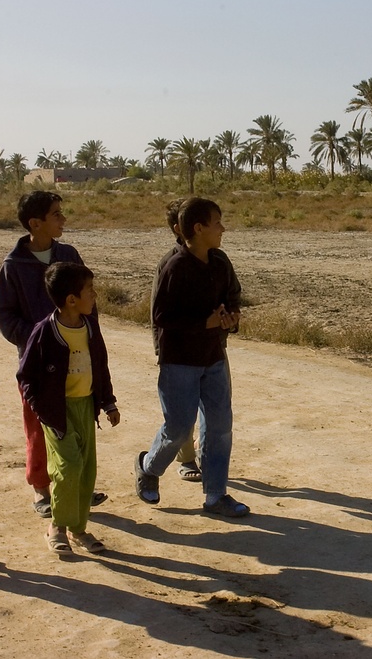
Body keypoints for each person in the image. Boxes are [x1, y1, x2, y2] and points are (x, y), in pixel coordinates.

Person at [0, 190, 107, 517]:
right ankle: (42, 491)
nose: (63, 219)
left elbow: (87, 299)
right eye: (57, 214)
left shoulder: (68, 254)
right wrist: (39, 340)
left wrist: (90, 336)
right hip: (41, 367)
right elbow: (4, 314)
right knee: (40, 427)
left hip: (78, 361)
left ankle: (78, 485)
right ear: (35, 223)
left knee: (80, 426)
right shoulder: (13, 266)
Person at [136, 197, 248, 517]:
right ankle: (148, 467)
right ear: (198, 229)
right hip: (180, 361)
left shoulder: (221, 262)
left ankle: (215, 495)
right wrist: (204, 323)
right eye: (217, 223)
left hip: (213, 354)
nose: (223, 228)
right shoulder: (174, 266)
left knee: (219, 425)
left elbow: (233, 296)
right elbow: (161, 317)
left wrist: (230, 317)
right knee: (180, 427)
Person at [17, 262, 121, 555]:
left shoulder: (90, 326)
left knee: (86, 470)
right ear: (71, 299)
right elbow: (26, 376)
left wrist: (107, 401)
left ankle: (78, 530)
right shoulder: (44, 333)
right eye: (90, 290)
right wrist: (42, 409)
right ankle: (57, 527)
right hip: (56, 414)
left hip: (85, 408)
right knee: (67, 467)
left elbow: (100, 366)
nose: (95, 294)